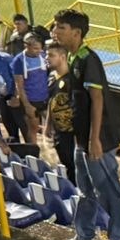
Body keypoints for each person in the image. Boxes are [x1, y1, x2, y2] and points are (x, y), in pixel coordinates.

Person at [52, 8, 120, 240]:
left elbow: (97, 100)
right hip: (82, 139)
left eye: (60, 27)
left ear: (76, 32)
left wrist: (95, 139)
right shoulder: (73, 58)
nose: (55, 31)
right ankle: (85, 235)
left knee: (108, 190)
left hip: (98, 139)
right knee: (85, 189)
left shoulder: (88, 60)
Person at [11, 31, 50, 145]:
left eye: (40, 48)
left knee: (53, 126)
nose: (39, 51)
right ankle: (34, 153)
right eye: (35, 49)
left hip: (45, 98)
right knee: (33, 128)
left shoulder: (43, 55)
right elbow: (19, 86)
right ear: (26, 46)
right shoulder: (19, 61)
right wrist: (27, 105)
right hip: (31, 101)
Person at [43, 41, 77, 171]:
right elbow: (52, 102)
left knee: (75, 167)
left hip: (71, 134)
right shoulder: (52, 77)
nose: (47, 58)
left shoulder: (72, 80)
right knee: (66, 166)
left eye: (51, 55)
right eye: (46, 55)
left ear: (62, 57)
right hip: (59, 133)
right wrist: (47, 126)